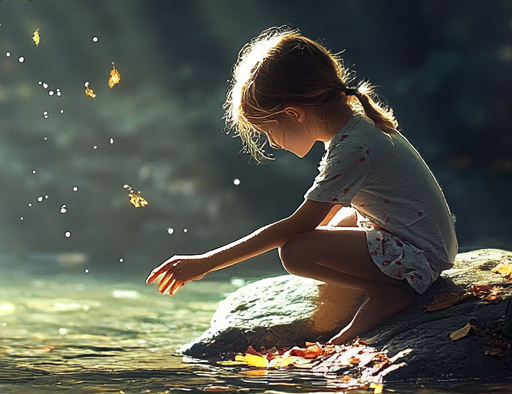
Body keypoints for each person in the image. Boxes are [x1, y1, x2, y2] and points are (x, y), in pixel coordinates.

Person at [147, 28, 458, 344]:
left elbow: (297, 225)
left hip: (421, 256)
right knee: (334, 224)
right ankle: (388, 286)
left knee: (296, 251)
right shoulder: (356, 124)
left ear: (293, 114)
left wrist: (206, 262)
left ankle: (388, 292)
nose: (271, 141)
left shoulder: (353, 149)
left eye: (268, 131)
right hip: (425, 242)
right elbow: (328, 211)